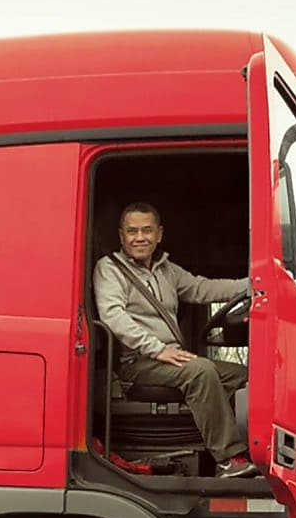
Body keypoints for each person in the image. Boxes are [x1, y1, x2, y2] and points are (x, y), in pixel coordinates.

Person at [93, 202, 257, 478]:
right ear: (121, 236)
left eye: (147, 230)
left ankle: (258, 452)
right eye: (132, 231)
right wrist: (157, 350)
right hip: (137, 361)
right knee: (201, 371)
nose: (140, 237)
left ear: (159, 234)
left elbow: (203, 288)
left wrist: (253, 284)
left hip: (170, 358)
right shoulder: (110, 269)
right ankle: (230, 459)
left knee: (246, 376)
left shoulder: (166, 269)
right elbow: (113, 317)